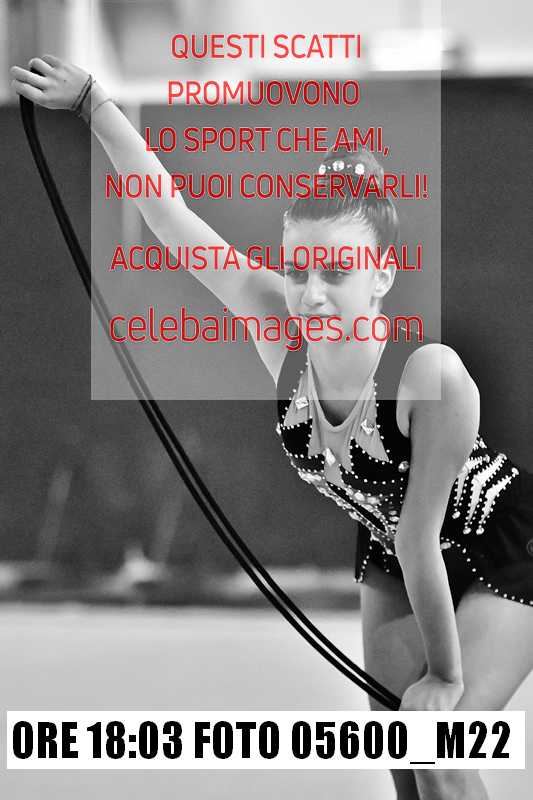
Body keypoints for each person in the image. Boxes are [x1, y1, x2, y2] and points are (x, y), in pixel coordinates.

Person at [11, 56, 533, 800]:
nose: (311, 294)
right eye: (297, 271)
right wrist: (96, 104)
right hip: (394, 552)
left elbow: (421, 536)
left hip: (502, 546)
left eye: (336, 272)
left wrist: (446, 678)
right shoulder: (280, 334)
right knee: (402, 759)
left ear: (381, 276)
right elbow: (173, 220)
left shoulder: (430, 378)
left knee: (440, 751)